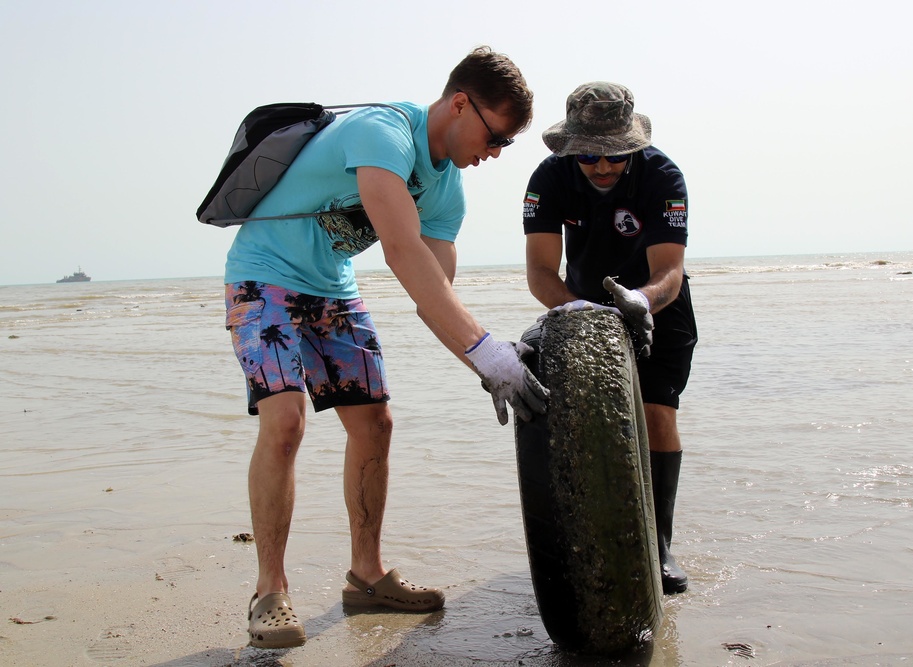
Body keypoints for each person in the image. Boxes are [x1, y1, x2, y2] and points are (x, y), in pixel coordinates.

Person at [223, 46, 548, 649]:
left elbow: (435, 293)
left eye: (506, 144)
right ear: (459, 103)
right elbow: (401, 253)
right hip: (262, 277)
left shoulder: (447, 190)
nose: (495, 153)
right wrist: (486, 353)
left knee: (375, 424)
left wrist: (491, 363)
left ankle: (366, 576)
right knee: (287, 421)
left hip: (332, 288)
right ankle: (270, 591)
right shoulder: (382, 132)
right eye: (495, 135)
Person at [521, 82, 697, 595]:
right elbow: (539, 271)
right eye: (589, 156)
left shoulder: (663, 175)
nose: (602, 167)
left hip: (657, 305)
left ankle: (659, 543)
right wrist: (581, 311)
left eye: (615, 157)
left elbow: (670, 271)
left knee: (655, 412)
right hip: (579, 305)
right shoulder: (550, 178)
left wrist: (639, 302)